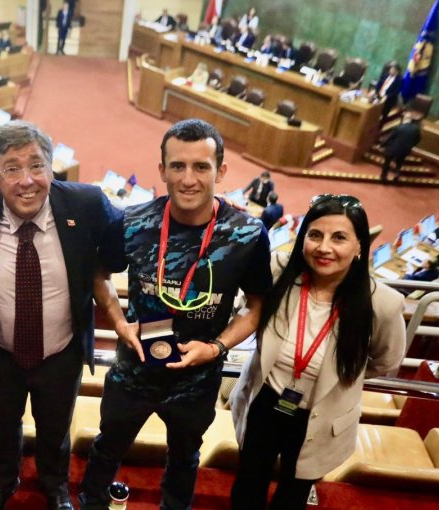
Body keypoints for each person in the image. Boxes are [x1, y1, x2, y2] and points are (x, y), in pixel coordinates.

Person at [79, 119, 272, 510]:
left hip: (198, 379)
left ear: (220, 171)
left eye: (201, 167)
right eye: (178, 166)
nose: (188, 179)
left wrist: (216, 348)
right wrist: (118, 323)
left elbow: (256, 306)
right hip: (133, 369)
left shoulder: (248, 235)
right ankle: (93, 501)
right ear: (162, 170)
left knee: (185, 460)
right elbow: (99, 275)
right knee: (107, 447)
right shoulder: (131, 222)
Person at [0, 120, 123, 510]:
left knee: (55, 429)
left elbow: (122, 242)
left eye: (37, 166)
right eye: (12, 169)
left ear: (51, 167)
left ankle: (55, 486)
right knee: (2, 426)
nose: (27, 181)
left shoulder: (86, 203)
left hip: (61, 350)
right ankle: (3, 482)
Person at [229, 194, 405, 510]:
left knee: (293, 496)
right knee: (248, 483)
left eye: (339, 237)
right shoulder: (277, 272)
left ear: (360, 246)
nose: (324, 248)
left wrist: (343, 376)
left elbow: (386, 360)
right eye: (315, 235)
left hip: (322, 414)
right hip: (265, 399)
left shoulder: (383, 304)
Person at [380, 112, 421, 182]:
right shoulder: (416, 129)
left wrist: (382, 145)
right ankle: (396, 174)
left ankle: (384, 177)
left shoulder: (399, 127)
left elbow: (390, 137)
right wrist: (411, 145)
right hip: (405, 149)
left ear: (405, 119)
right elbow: (418, 139)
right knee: (400, 162)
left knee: (387, 162)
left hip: (393, 148)